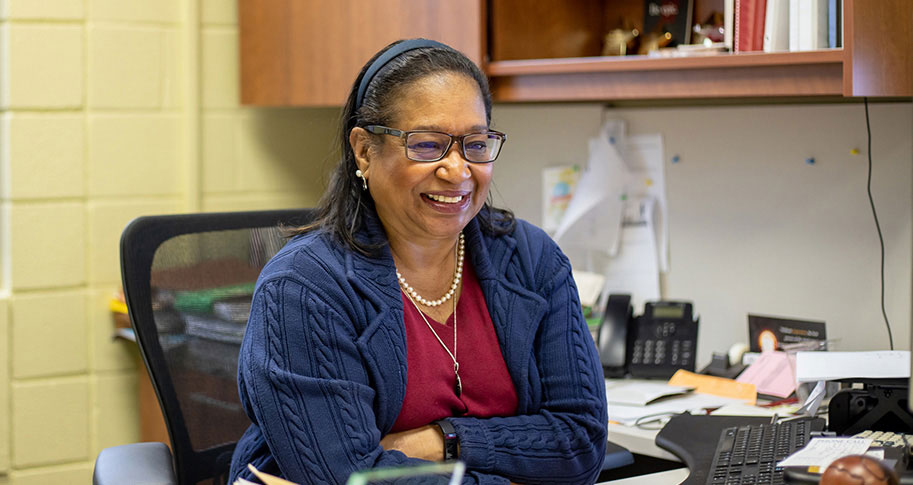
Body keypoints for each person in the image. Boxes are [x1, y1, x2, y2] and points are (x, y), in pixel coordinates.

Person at [229, 38, 607, 485]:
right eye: (427, 145)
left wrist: (442, 440)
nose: (458, 169)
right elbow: (349, 477)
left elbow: (580, 442)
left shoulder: (532, 259)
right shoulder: (304, 287)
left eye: (476, 143)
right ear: (365, 151)